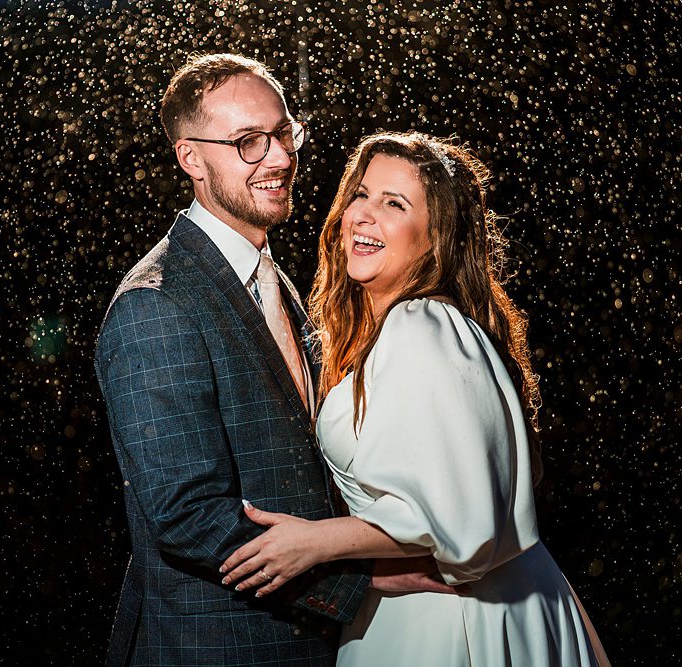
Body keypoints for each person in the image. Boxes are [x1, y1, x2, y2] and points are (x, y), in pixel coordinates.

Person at [94, 55, 450, 667]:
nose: (280, 158)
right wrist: (355, 585)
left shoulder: (273, 279)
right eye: (248, 143)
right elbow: (187, 516)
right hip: (221, 647)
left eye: (284, 133)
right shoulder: (154, 306)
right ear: (191, 160)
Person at [220, 132, 611, 666]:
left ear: (435, 239)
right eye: (360, 194)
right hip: (442, 603)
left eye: (394, 204)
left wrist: (317, 543)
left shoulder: (422, 323)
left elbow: (465, 524)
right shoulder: (389, 331)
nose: (363, 214)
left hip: (451, 621)